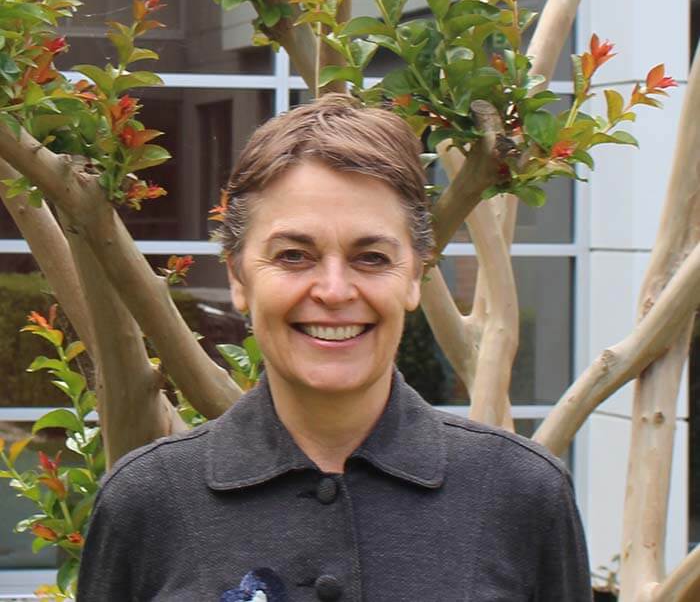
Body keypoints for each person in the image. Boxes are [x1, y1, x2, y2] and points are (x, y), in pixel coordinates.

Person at [77, 95, 592, 601]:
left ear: (415, 275)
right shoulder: (146, 503)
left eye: (371, 258)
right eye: (293, 255)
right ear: (237, 276)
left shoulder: (522, 494)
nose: (334, 291)